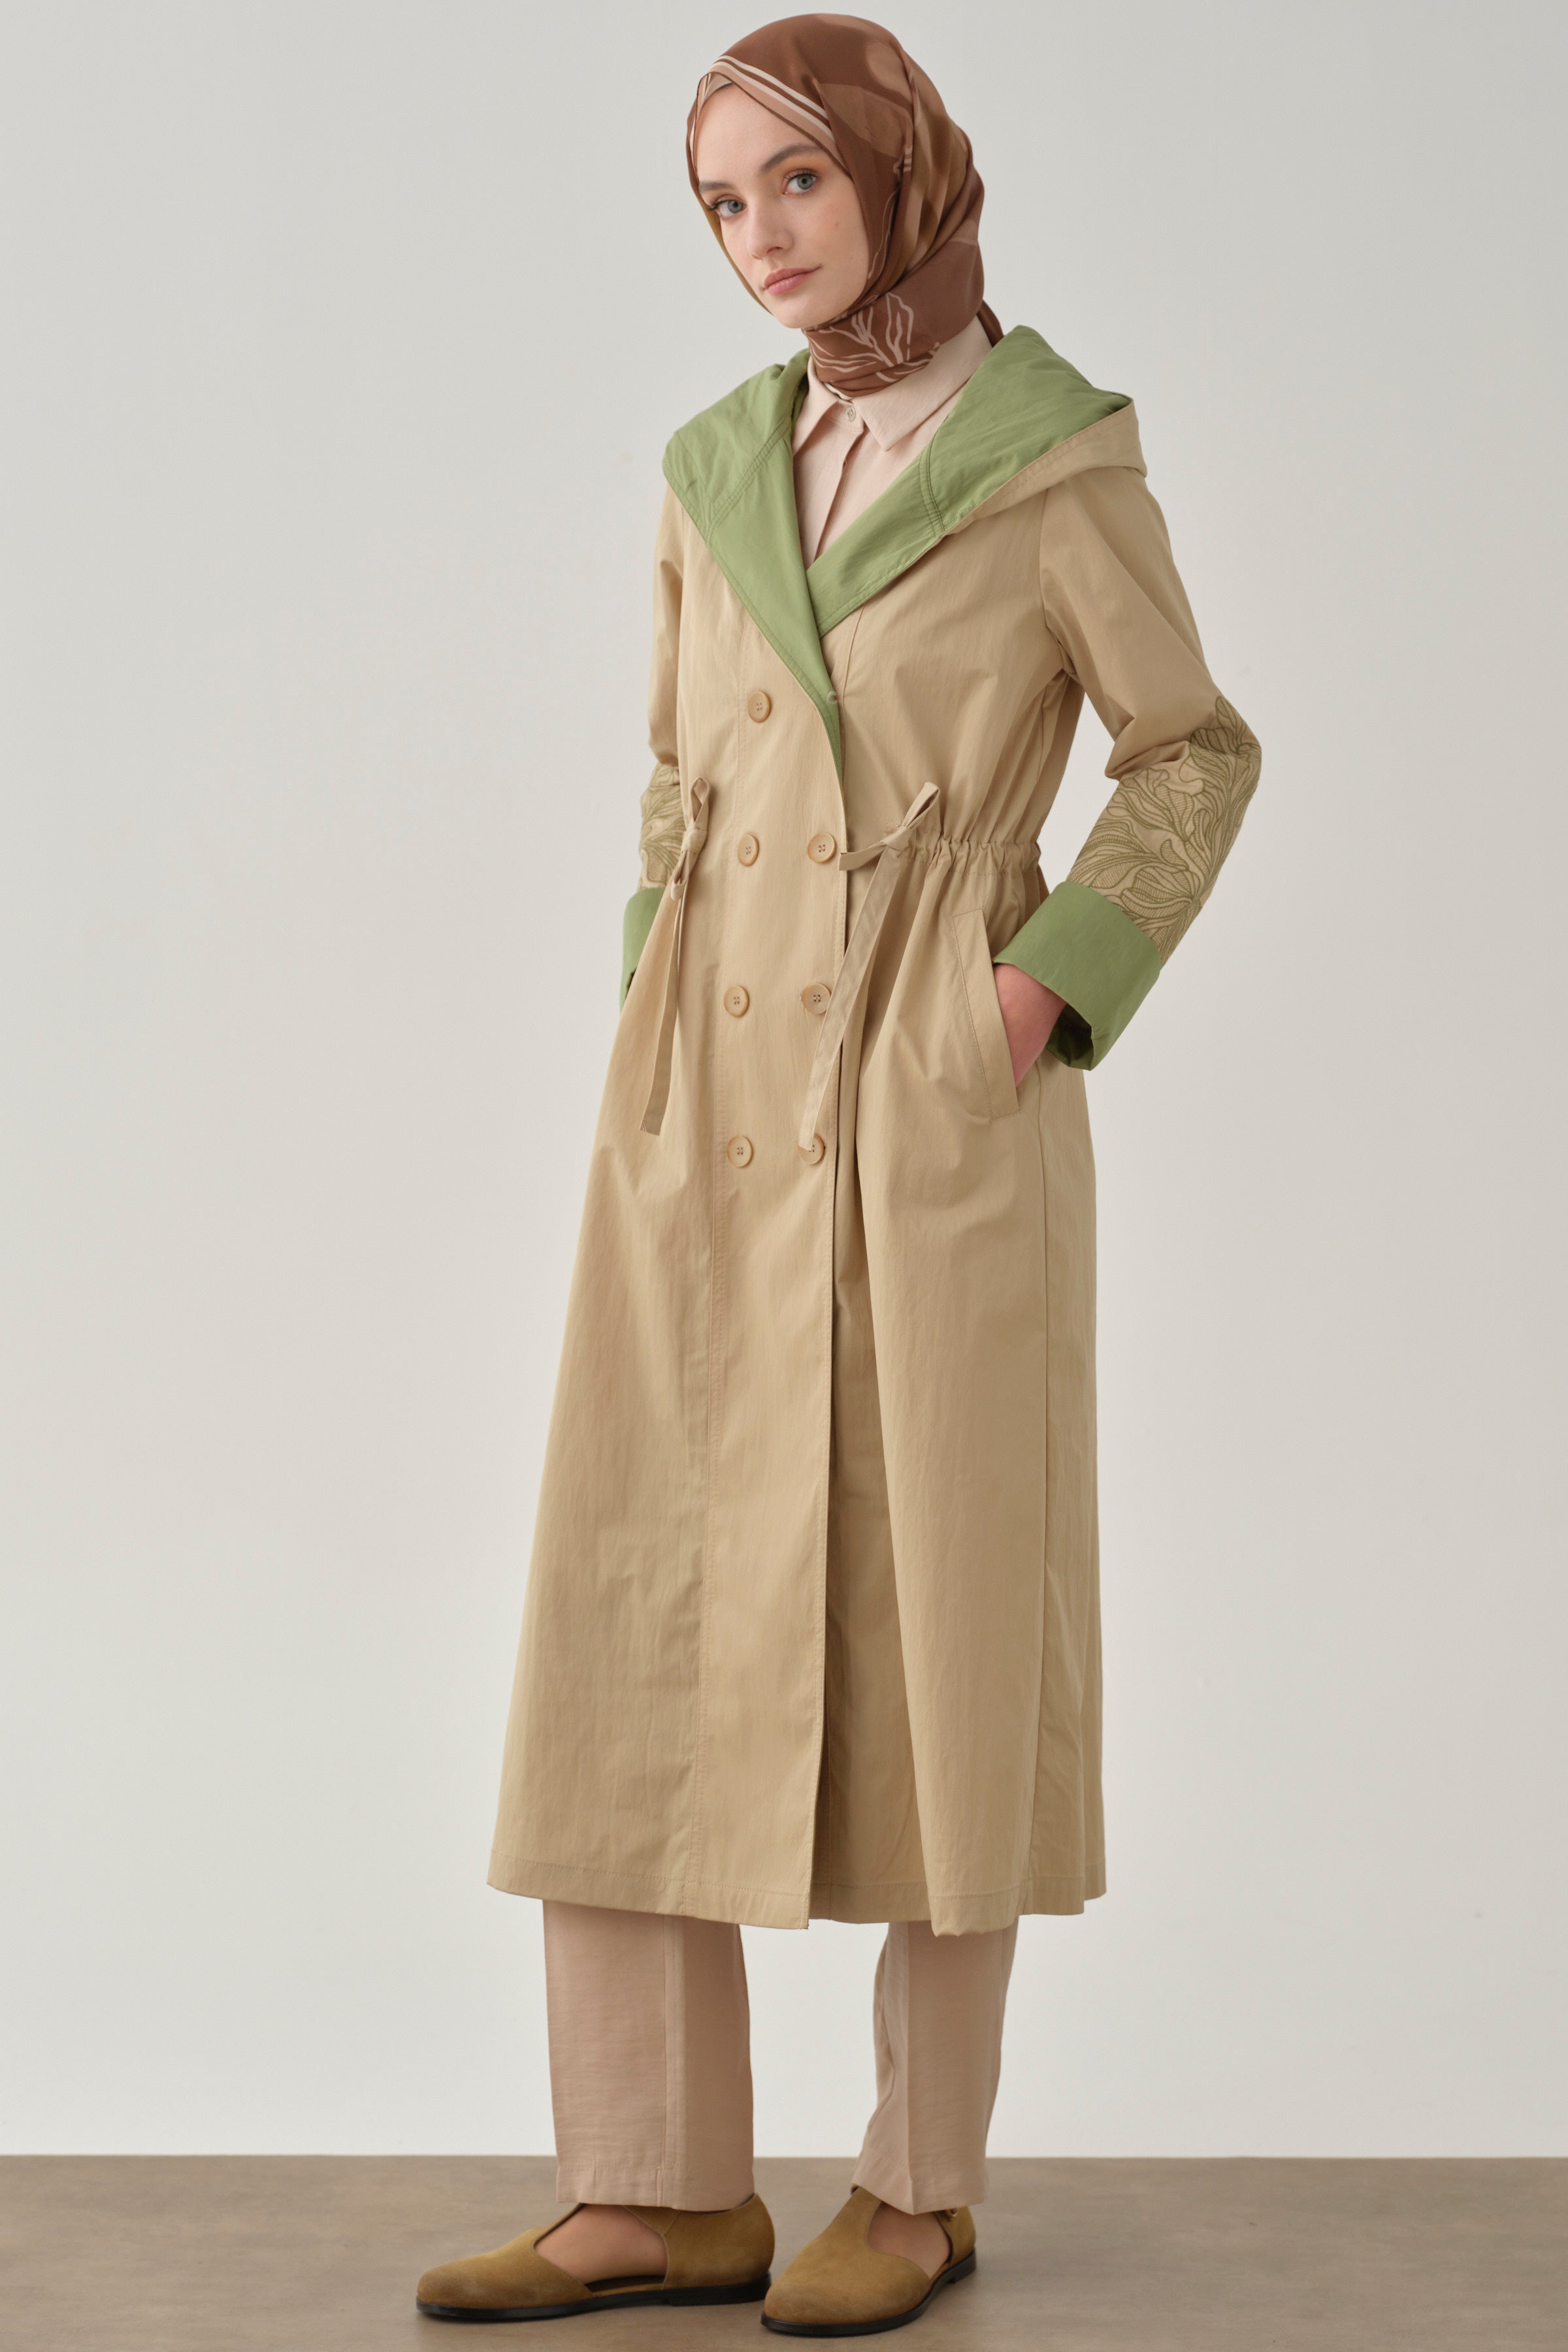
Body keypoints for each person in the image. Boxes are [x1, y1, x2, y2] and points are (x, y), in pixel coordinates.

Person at [416, 12, 1260, 2335]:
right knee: (632, 1613)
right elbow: (672, 778)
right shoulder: (714, 469)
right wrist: (649, 989)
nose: (758, 237)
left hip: (927, 1103)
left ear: (899, 171)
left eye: (794, 180)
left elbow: (1192, 752)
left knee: (937, 1629)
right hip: (698, 1111)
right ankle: (653, 2186)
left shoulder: (1050, 460)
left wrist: (1034, 995)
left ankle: (916, 2185)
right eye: (719, 201)